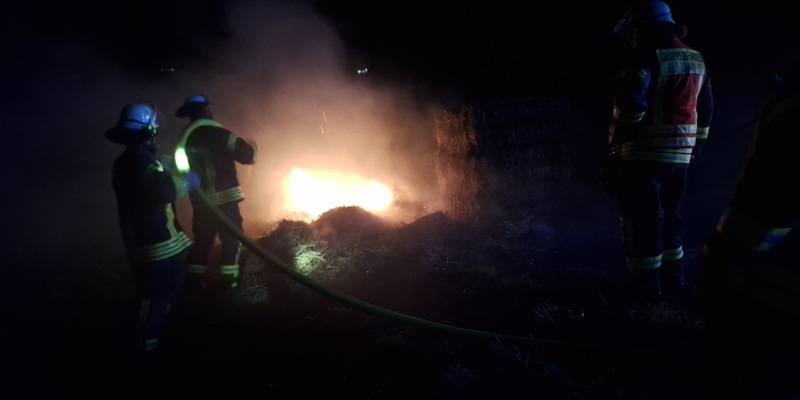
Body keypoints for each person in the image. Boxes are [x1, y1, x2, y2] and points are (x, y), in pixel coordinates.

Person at [696, 59, 800, 399]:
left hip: (773, 288)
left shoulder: (791, 107)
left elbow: (767, 192)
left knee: (751, 369)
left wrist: (721, 252)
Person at [604, 0, 714, 302]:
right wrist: (694, 149)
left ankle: (646, 292)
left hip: (642, 157)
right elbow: (706, 111)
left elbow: (630, 105)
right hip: (680, 159)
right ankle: (674, 285)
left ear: (644, 28)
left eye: (636, 30)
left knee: (643, 221)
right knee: (671, 218)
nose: (634, 37)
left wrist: (617, 147)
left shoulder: (645, 58)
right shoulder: (696, 59)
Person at [105, 101, 198, 353]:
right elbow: (166, 191)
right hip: (156, 247)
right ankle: (144, 353)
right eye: (155, 128)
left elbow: (150, 186)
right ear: (149, 130)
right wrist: (185, 180)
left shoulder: (131, 161)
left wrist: (164, 167)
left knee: (166, 293)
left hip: (160, 244)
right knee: (153, 299)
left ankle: (158, 339)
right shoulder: (141, 163)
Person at [175, 94, 258, 292]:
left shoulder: (186, 138)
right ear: (206, 111)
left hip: (201, 203)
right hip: (225, 201)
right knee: (232, 239)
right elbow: (247, 156)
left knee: (203, 241)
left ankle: (193, 283)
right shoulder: (217, 133)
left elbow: (181, 168)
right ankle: (228, 283)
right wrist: (252, 145)